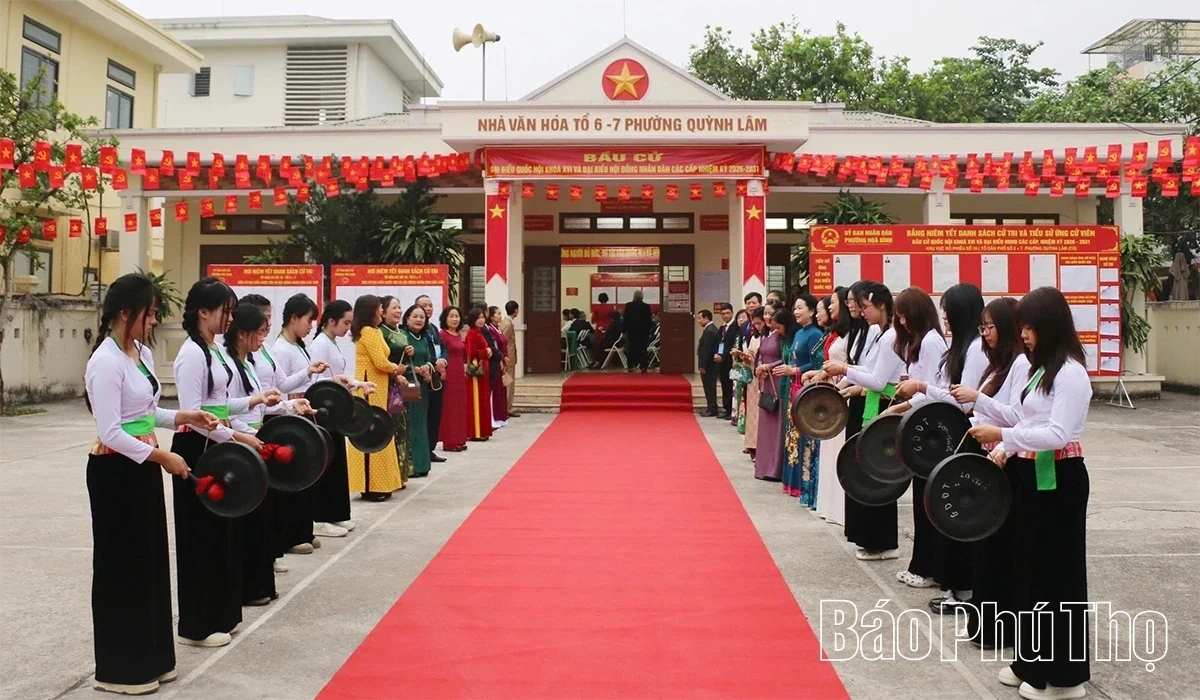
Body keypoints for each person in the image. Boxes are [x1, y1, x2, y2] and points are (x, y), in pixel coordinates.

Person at [83, 273, 218, 695]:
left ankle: (153, 657)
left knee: (150, 563)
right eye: (150, 313)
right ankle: (119, 668)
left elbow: (145, 412)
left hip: (139, 466)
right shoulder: (104, 362)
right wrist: (163, 457)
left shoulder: (138, 352)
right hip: (115, 471)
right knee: (122, 567)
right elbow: (111, 432)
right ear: (125, 313)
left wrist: (184, 417)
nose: (154, 321)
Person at [967, 287, 1092, 699]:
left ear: (1049, 327)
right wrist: (1004, 441)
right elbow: (1023, 417)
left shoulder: (1071, 372)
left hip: (1059, 478)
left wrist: (1004, 435)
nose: (1023, 335)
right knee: (1029, 570)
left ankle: (1064, 677)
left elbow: (1056, 433)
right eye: (1021, 328)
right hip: (1031, 475)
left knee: (1058, 576)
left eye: (1030, 328)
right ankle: (1031, 662)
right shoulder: (1041, 369)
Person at [173, 277, 280, 647]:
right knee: (199, 537)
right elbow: (195, 415)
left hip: (218, 444)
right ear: (203, 311)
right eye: (225, 311)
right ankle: (197, 625)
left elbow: (219, 405)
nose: (229, 318)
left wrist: (252, 403)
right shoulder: (190, 354)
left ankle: (220, 612)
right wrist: (239, 436)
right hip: (197, 449)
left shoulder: (214, 349)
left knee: (222, 534)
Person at [895, 283, 987, 613]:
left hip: (964, 435)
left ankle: (961, 590)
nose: (944, 317)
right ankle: (955, 586)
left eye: (949, 311)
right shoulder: (960, 345)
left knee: (958, 514)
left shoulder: (975, 349)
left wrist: (921, 388)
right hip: (955, 433)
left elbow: (963, 399)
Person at [225, 303, 315, 607]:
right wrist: (244, 436)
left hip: (255, 436)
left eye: (265, 331)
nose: (263, 338)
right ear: (242, 333)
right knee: (248, 520)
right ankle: (248, 586)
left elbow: (264, 402)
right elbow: (224, 409)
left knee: (260, 517)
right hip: (241, 440)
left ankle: (260, 582)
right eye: (259, 332)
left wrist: (290, 406)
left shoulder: (248, 362)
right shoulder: (229, 363)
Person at [949, 296, 1026, 649]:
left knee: (999, 550)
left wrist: (977, 400)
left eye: (991, 327)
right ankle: (984, 625)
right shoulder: (997, 366)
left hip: (1003, 459)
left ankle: (1000, 627)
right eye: (982, 327)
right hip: (984, 453)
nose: (986, 334)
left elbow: (1016, 418)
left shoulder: (1022, 365)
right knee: (985, 547)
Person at [823, 281, 899, 560]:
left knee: (878, 476)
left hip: (880, 405)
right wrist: (845, 377)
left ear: (880, 305)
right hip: (868, 402)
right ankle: (868, 537)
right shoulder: (878, 333)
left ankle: (882, 541)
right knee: (863, 472)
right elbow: (866, 370)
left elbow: (879, 380)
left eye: (865, 306)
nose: (861, 311)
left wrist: (844, 369)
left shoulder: (891, 337)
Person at [879, 287, 948, 588]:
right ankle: (923, 563)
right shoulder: (917, 342)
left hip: (931, 427)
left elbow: (933, 390)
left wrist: (904, 405)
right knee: (921, 500)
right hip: (919, 421)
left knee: (927, 501)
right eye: (899, 317)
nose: (903, 322)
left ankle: (927, 567)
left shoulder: (932, 342)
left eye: (906, 316)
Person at [271, 294, 339, 546]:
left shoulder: (298, 345)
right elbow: (283, 385)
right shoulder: (280, 349)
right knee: (294, 475)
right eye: (308, 320)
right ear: (293, 318)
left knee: (306, 472)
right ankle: (292, 534)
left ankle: (303, 530)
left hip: (302, 410)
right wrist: (307, 373)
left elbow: (302, 380)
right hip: (290, 413)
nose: (311, 326)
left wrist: (312, 373)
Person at [308, 299, 373, 535]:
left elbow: (338, 376)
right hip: (323, 412)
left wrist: (357, 384)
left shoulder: (332, 342)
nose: (348, 327)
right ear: (331, 321)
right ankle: (321, 517)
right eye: (345, 322)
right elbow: (314, 382)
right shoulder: (319, 344)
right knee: (326, 463)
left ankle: (337, 514)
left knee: (336, 463)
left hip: (335, 410)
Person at [347, 295, 404, 501]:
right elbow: (381, 362)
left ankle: (378, 483)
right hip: (369, 387)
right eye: (380, 308)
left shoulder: (375, 331)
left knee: (379, 431)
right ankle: (372, 485)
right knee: (372, 432)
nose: (382, 312)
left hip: (378, 385)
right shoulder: (368, 332)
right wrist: (396, 368)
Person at [777, 294, 824, 504]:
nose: (796, 312)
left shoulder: (815, 334)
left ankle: (801, 482)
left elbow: (817, 364)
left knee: (800, 437)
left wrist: (794, 369)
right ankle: (790, 481)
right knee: (791, 437)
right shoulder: (799, 334)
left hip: (804, 387)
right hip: (793, 387)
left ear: (812, 311)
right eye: (795, 308)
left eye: (800, 308)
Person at [379, 296, 415, 487]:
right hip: (389, 385)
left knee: (403, 427)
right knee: (392, 426)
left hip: (401, 384)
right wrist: (394, 376)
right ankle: (391, 474)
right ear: (383, 312)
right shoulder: (381, 333)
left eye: (400, 307)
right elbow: (381, 362)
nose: (398, 311)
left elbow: (405, 360)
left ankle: (401, 473)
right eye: (394, 308)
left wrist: (410, 353)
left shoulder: (400, 331)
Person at [752, 308, 788, 481]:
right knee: (765, 425)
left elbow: (786, 358)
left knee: (777, 423)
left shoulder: (781, 336)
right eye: (765, 314)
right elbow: (761, 355)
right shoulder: (765, 335)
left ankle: (774, 468)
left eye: (770, 314)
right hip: (765, 381)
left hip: (778, 380)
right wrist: (760, 366)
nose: (767, 317)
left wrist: (768, 367)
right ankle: (763, 466)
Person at [402, 304, 437, 477]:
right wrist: (415, 370)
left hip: (422, 386)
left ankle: (423, 465)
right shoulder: (403, 337)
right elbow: (398, 362)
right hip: (407, 386)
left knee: (421, 423)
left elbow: (430, 359)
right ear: (407, 319)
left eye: (422, 317)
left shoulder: (423, 338)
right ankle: (411, 466)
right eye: (415, 316)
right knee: (411, 424)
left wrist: (427, 368)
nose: (418, 320)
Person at [415, 295, 449, 464]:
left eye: (430, 305)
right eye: (424, 306)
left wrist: (443, 360)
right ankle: (423, 450)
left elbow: (442, 347)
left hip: (438, 376)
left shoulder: (433, 328)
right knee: (426, 415)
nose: (428, 309)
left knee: (435, 414)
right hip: (425, 376)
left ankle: (431, 448)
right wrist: (434, 363)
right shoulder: (417, 331)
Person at [438, 306, 469, 452]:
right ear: (445, 318)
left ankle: (460, 439)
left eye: (457, 316)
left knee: (460, 407)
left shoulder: (458, 334)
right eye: (451, 316)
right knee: (449, 408)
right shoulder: (442, 334)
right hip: (449, 373)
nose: (455, 319)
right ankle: (450, 442)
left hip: (460, 375)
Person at [465, 307, 494, 441]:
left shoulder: (479, 332)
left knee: (483, 400)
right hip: (477, 371)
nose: (481, 320)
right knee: (477, 400)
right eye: (478, 318)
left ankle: (483, 431)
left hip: (483, 370)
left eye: (482, 317)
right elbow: (471, 353)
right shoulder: (472, 333)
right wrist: (486, 352)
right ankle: (477, 432)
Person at [740, 307, 766, 456]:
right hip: (753, 381)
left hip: (764, 379)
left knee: (761, 414)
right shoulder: (754, 337)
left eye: (760, 323)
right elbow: (750, 353)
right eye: (755, 324)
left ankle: (761, 447)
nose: (758, 326)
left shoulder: (770, 338)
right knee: (752, 413)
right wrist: (744, 356)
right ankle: (751, 445)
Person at [486, 306, 510, 428]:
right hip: (496, 362)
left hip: (502, 361)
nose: (500, 316)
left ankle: (501, 416)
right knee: (496, 391)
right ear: (491, 316)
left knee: (501, 390)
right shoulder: (490, 330)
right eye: (498, 314)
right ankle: (495, 417)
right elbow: (495, 347)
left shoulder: (498, 329)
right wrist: (501, 358)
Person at [696, 309, 720, 416]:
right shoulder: (709, 329)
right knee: (709, 386)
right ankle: (710, 406)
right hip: (709, 364)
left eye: (700, 318)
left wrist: (702, 365)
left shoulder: (710, 331)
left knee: (709, 386)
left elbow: (707, 349)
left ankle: (712, 408)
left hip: (709, 365)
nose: (698, 321)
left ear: (706, 318)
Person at [716, 303, 738, 420]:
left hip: (730, 360)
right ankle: (726, 408)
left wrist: (723, 356)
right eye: (723, 314)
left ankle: (731, 410)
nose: (725, 316)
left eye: (727, 313)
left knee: (730, 385)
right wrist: (717, 354)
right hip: (722, 362)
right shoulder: (721, 328)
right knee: (724, 384)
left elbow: (731, 345)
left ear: (732, 313)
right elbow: (720, 343)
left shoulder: (735, 327)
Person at [623, 290, 653, 373]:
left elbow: (626, 319)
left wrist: (624, 330)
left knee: (631, 348)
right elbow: (649, 320)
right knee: (643, 348)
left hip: (632, 330)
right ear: (642, 297)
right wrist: (648, 330)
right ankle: (643, 367)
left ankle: (630, 366)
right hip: (643, 331)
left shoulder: (629, 305)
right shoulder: (646, 306)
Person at [501, 301, 520, 417]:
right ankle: (507, 407)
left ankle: (508, 406)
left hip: (508, 357)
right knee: (509, 382)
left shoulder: (505, 322)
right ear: (516, 310)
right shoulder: (508, 324)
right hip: (509, 357)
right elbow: (504, 341)